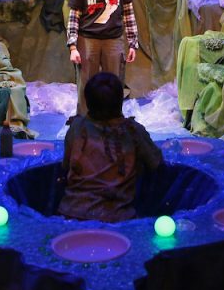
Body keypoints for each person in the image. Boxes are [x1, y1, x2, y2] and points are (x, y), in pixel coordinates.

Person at [58, 72, 162, 223]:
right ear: (120, 101)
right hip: (116, 218)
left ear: (88, 102)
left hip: (72, 214)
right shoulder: (132, 131)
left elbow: (65, 166)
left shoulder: (77, 128)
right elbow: (157, 163)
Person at [67, 0, 139, 117]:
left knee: (114, 84)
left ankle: (113, 120)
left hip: (113, 39)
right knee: (86, 83)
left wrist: (133, 43)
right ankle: (85, 121)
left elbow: (128, 13)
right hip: (87, 39)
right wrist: (73, 46)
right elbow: (74, 16)